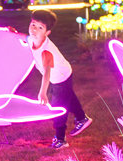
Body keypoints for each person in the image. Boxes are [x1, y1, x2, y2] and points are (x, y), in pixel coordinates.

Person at [23, 9, 92, 149]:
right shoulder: (33, 38)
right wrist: (10, 32)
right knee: (68, 96)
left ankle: (61, 140)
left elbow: (47, 74)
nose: (35, 29)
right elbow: (24, 37)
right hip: (64, 72)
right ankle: (82, 118)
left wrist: (42, 92)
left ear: (47, 33)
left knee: (59, 107)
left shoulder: (46, 51)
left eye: (40, 27)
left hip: (59, 77)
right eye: (33, 25)